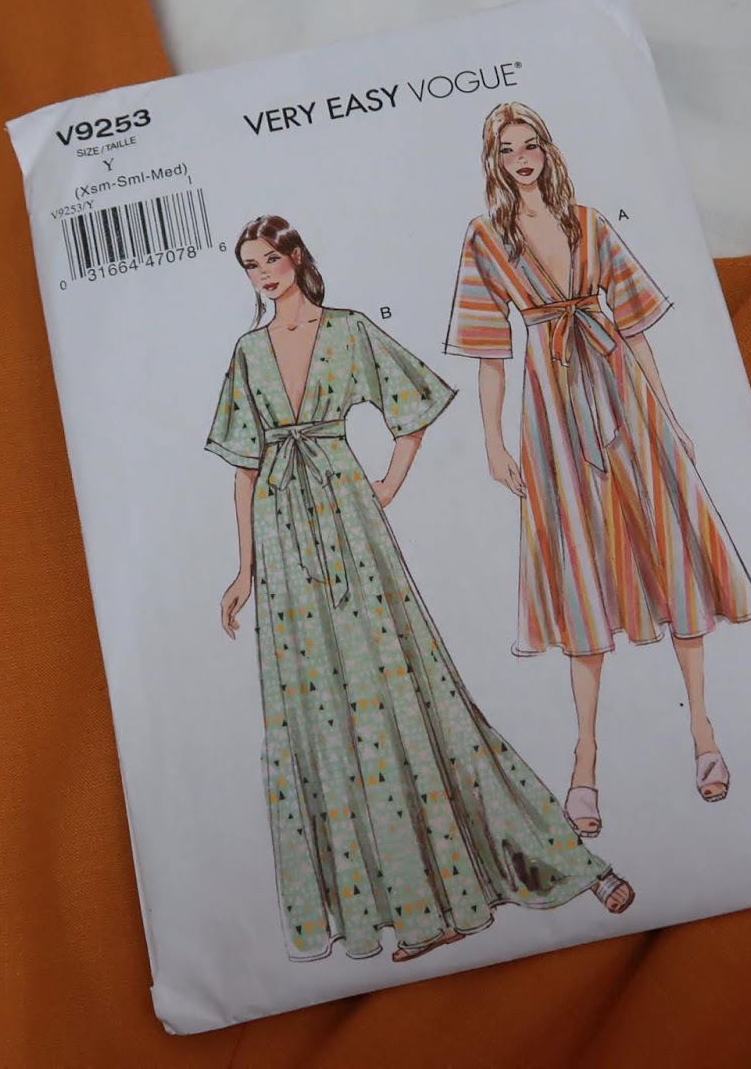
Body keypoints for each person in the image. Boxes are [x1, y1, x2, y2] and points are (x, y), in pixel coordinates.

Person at [209, 214, 633, 964]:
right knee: (318, 708)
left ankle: (503, 876)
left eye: (271, 258)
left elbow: (414, 412)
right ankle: (405, 906)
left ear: (296, 256)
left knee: (406, 690)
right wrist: (245, 568)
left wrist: (386, 485)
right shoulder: (248, 353)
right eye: (250, 266)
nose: (263, 274)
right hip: (281, 536)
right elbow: (243, 472)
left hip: (350, 518)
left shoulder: (349, 330)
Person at [445, 104, 751, 838]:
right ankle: (584, 763)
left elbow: (635, 331)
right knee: (579, 566)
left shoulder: (589, 224)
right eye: (507, 149)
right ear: (494, 161)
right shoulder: (486, 237)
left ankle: (703, 733)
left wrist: (669, 416)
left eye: (531, 144)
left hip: (626, 398)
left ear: (547, 151)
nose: (522, 158)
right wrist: (492, 442)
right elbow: (489, 356)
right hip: (553, 413)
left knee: (670, 548)